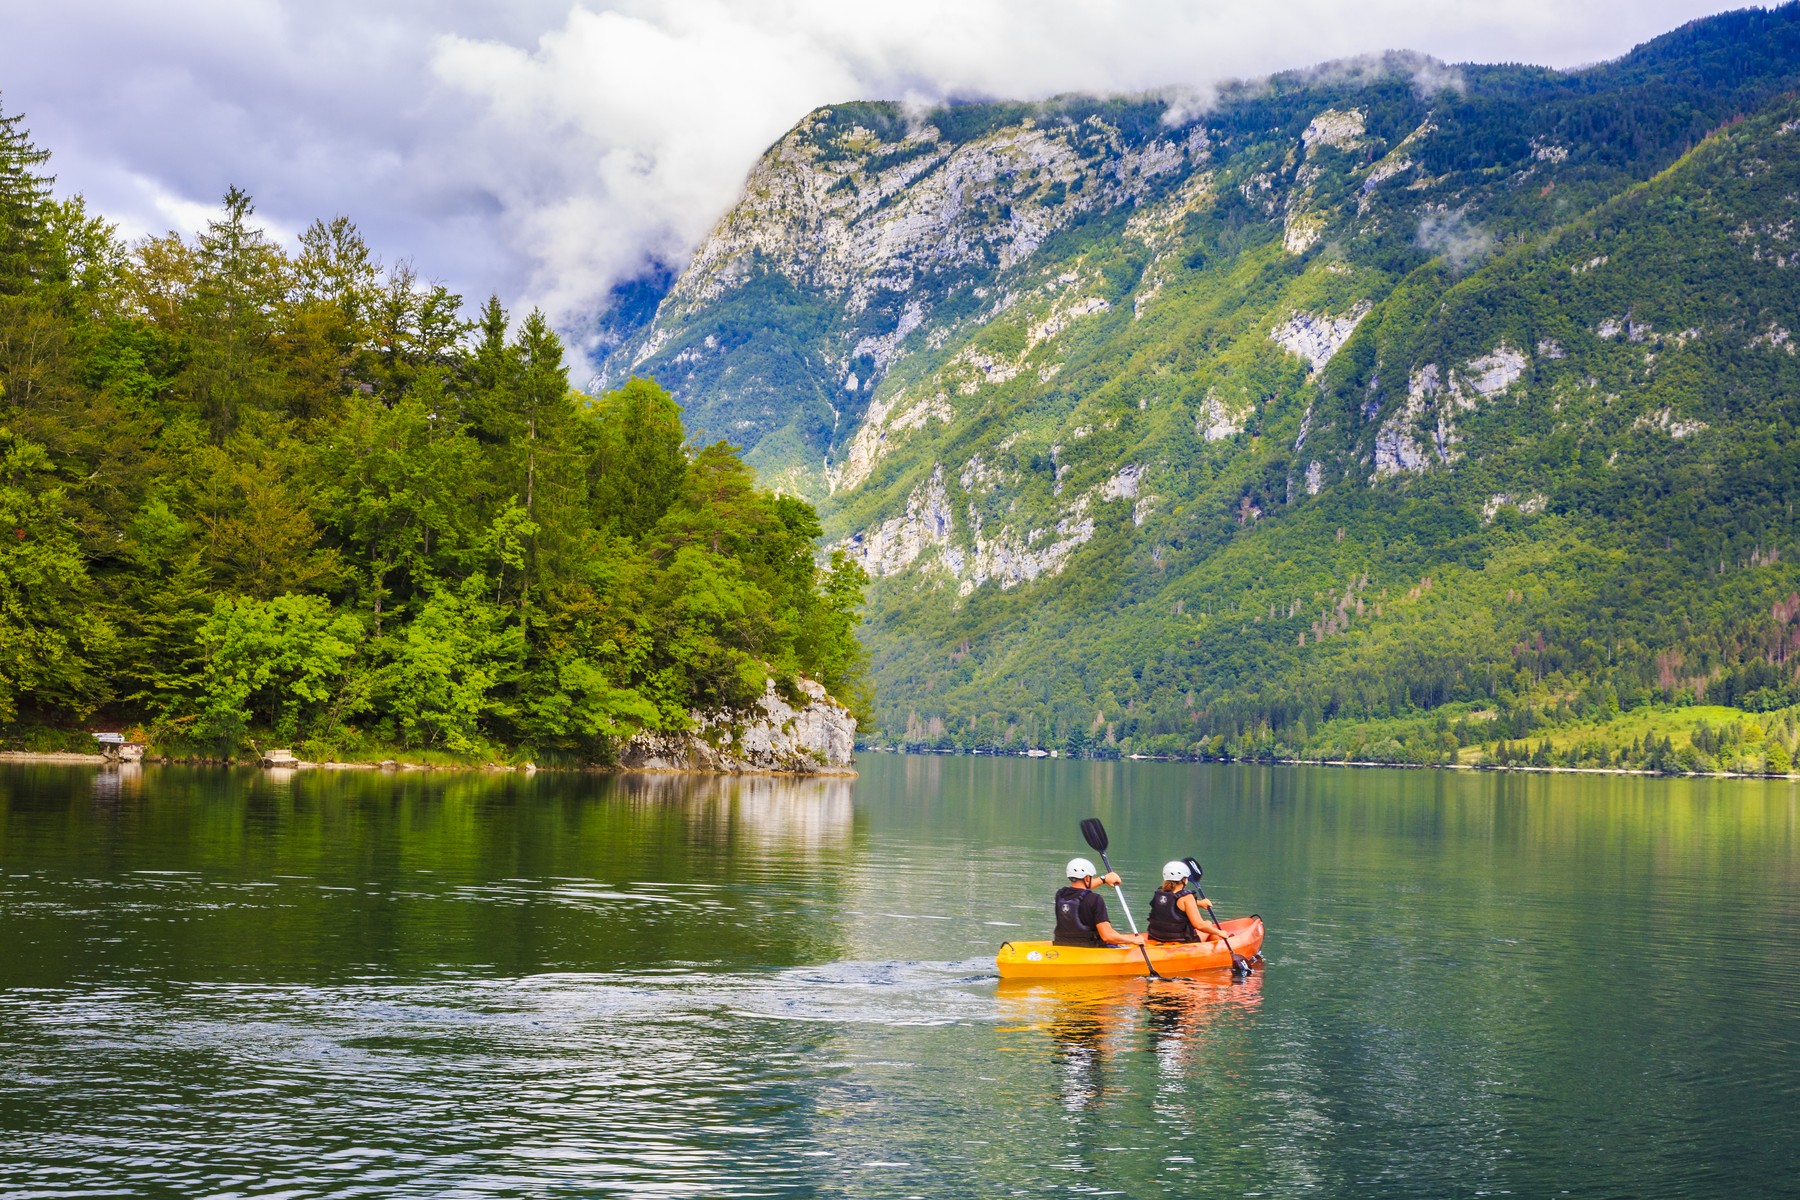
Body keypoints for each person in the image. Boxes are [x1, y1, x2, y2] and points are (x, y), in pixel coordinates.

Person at [1053, 857, 1149, 947]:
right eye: (1091, 877)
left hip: (1061, 945)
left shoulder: (1060, 895)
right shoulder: (1095, 899)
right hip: (1089, 948)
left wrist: (1104, 879)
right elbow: (1107, 936)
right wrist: (1132, 940)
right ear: (1087, 878)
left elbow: (1080, 891)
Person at [1144, 860, 1230, 944]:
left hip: (1155, 936)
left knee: (1208, 926)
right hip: (1181, 940)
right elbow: (1199, 925)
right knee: (1208, 924)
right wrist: (1219, 932)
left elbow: (1172, 905)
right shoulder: (1187, 897)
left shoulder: (1160, 893)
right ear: (1184, 879)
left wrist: (1199, 903)